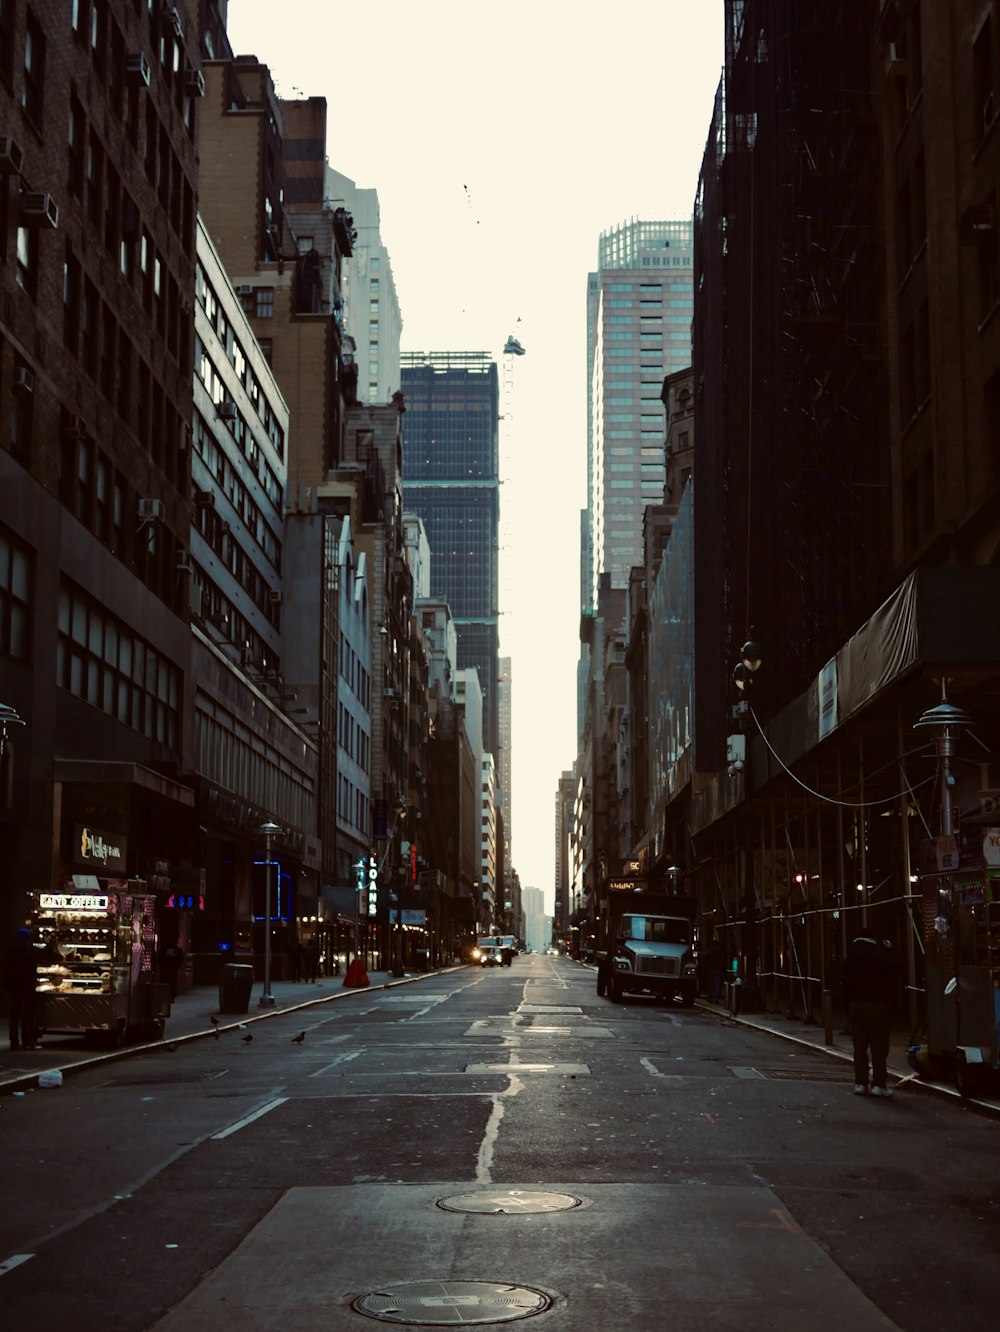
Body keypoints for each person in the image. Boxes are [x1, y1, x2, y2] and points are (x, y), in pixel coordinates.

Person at [842, 932, 901, 1098]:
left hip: (855, 1005)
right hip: (877, 1004)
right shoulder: (879, 956)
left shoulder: (849, 959)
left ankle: (860, 1083)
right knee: (879, 1047)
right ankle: (878, 1084)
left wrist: (846, 1009)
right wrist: (891, 951)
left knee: (859, 1048)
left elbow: (844, 986)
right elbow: (896, 968)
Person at [3, 926, 40, 1050]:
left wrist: (6, 984)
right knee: (27, 1015)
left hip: (13, 987)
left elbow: (4, 967)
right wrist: (50, 943)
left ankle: (14, 1041)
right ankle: (27, 1041)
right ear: (28, 938)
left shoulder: (9, 950)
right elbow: (46, 954)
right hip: (27, 987)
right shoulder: (30, 950)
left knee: (14, 1015)